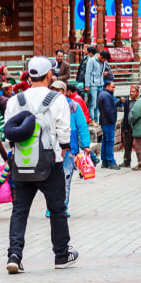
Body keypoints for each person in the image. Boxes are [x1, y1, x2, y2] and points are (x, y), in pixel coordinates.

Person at [4, 56, 77, 274]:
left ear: (28, 75)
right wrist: (63, 149)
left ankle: (14, 255)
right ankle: (61, 254)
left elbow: (9, 133)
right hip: (50, 164)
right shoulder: (57, 99)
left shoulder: (15, 101)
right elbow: (64, 131)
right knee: (57, 210)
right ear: (49, 75)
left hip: (22, 163)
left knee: (19, 210)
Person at [51, 80, 91, 215]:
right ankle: (51, 207)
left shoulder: (73, 106)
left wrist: (86, 145)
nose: (56, 93)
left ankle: (63, 207)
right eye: (54, 90)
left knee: (65, 179)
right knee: (51, 180)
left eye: (59, 91)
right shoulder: (47, 106)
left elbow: (82, 126)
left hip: (70, 149)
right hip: (51, 148)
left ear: (65, 92)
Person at [97, 79, 120, 169]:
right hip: (108, 122)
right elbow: (108, 109)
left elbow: (112, 105)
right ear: (107, 86)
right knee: (110, 141)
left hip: (104, 121)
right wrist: (112, 120)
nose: (113, 89)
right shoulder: (106, 95)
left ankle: (105, 161)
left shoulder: (104, 94)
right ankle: (111, 161)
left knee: (105, 141)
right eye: (112, 87)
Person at [85, 50, 110, 122]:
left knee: (98, 104)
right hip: (93, 85)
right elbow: (88, 73)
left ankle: (96, 120)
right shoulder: (91, 61)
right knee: (92, 104)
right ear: (101, 57)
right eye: (104, 59)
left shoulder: (104, 62)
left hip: (100, 84)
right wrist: (87, 85)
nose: (105, 61)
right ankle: (92, 120)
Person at [121, 84, 139, 168]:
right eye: (130, 91)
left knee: (139, 145)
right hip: (128, 126)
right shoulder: (127, 100)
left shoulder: (140, 101)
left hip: (137, 126)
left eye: (133, 91)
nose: (131, 93)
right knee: (127, 144)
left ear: (137, 92)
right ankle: (126, 161)